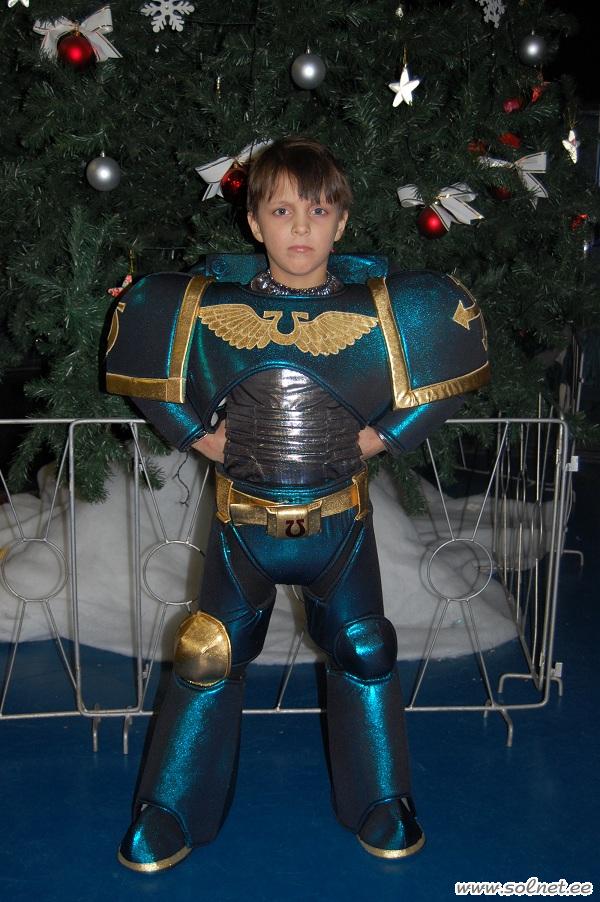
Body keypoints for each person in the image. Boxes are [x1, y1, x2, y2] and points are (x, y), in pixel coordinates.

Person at [105, 136, 489, 872]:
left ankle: (381, 798)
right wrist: (196, 436)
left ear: (341, 221)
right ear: (255, 223)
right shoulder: (208, 306)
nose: (301, 226)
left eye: (317, 210)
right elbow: (148, 373)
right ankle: (172, 807)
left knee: (366, 648)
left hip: (339, 522)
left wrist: (382, 436)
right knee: (207, 652)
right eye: (282, 211)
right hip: (242, 525)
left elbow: (445, 376)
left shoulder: (382, 310)